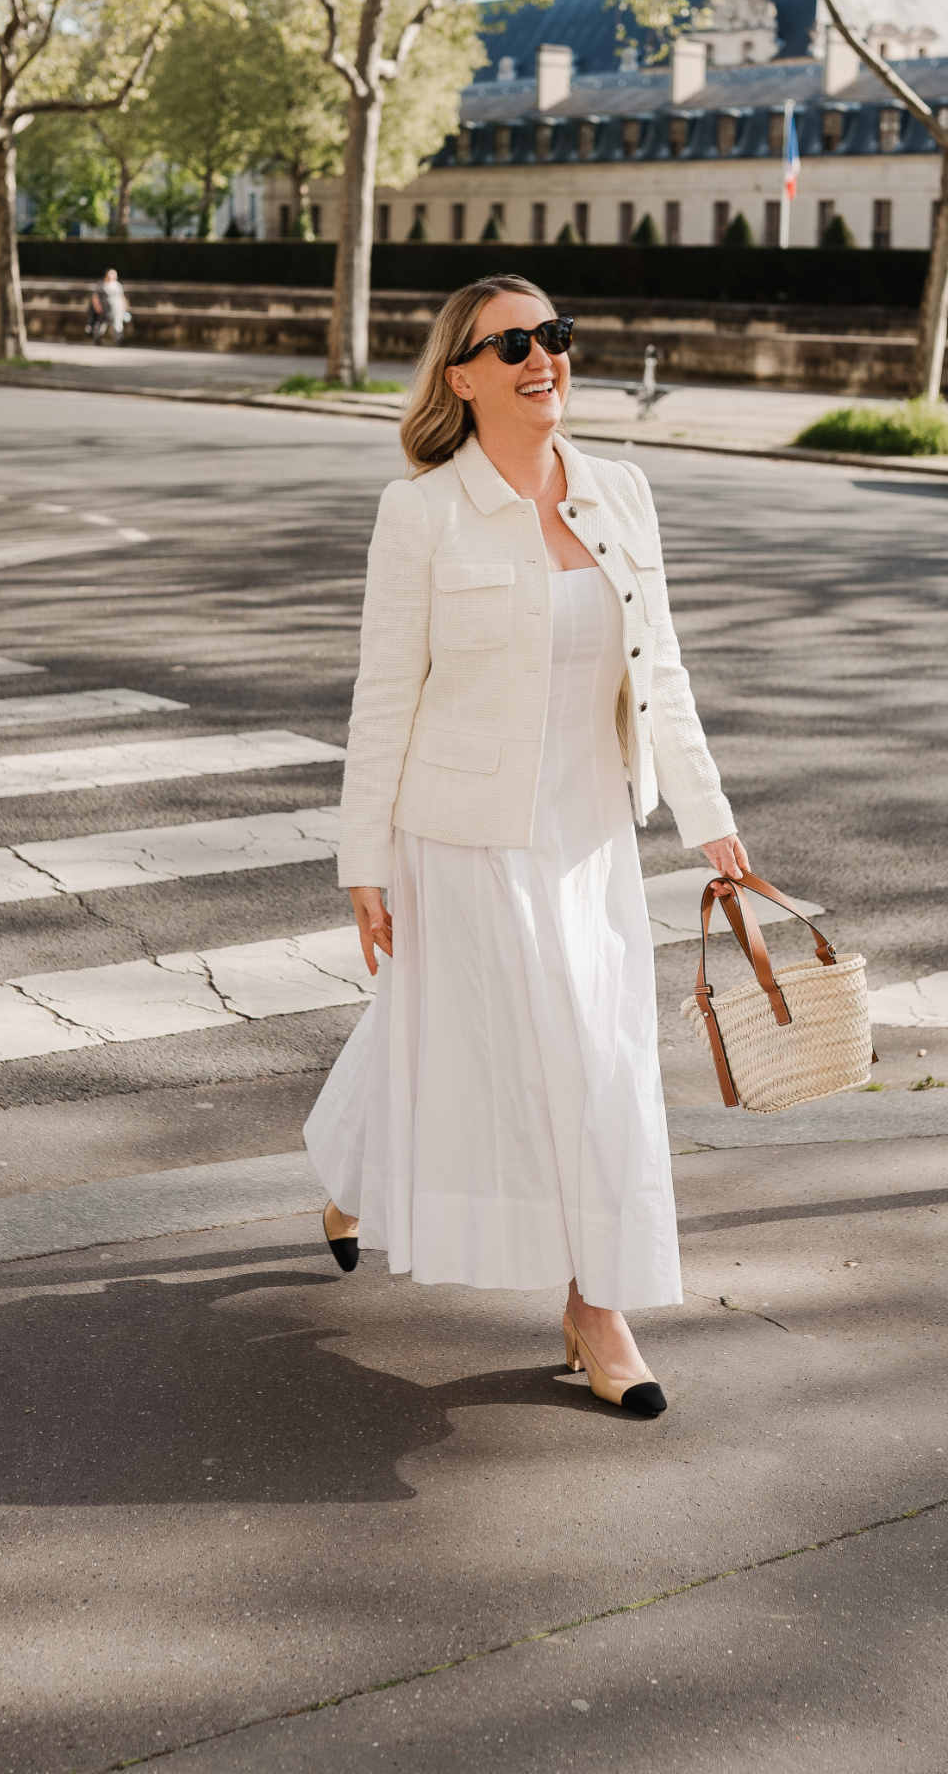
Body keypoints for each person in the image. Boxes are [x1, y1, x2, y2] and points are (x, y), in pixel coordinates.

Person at [303, 275, 749, 1418]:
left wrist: (709, 818)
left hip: (590, 824)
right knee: (565, 1058)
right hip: (462, 832)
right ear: (461, 376)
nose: (541, 358)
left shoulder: (621, 493)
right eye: (510, 346)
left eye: (552, 336)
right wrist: (363, 862)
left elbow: (664, 673)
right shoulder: (424, 512)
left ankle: (345, 1163)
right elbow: (384, 693)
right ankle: (594, 1310)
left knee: (524, 1039)